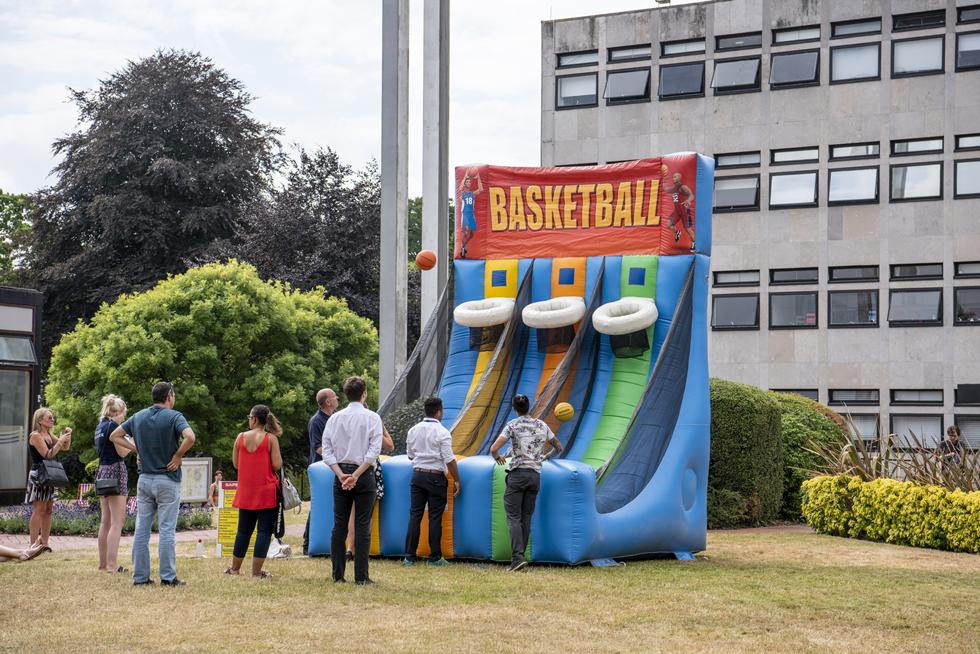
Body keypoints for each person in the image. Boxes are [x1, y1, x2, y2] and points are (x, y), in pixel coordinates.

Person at [110, 381, 196, 587]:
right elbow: (190, 437)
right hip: (168, 479)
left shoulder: (138, 416)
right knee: (166, 529)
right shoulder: (175, 417)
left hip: (145, 479)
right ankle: (168, 577)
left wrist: (136, 450)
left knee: (142, 529)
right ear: (169, 396)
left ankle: (140, 577)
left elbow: (115, 436)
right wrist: (177, 455)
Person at [489, 394, 563, 572]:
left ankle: (517, 558)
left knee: (513, 517)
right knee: (526, 517)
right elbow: (559, 447)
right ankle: (520, 556)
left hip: (518, 474)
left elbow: (493, 448)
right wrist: (544, 457)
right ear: (529, 407)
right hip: (535, 476)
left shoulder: (513, 425)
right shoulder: (542, 425)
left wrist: (498, 458)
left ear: (515, 409)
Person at [321, 376, 382, 585]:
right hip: (363, 474)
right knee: (362, 525)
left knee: (339, 525)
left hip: (341, 472)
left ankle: (338, 574)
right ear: (364, 393)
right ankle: (361, 576)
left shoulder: (334, 419)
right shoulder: (372, 417)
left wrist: (340, 474)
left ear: (346, 395)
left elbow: (326, 450)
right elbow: (374, 450)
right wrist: (356, 475)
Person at [226, 405, 282, 579]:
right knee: (264, 532)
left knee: (243, 530)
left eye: (249, 417)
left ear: (254, 419)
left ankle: (235, 569)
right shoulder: (271, 439)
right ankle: (256, 573)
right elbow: (277, 465)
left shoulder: (240, 437)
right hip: (266, 491)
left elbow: (236, 464)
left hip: (246, 491)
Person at [403, 397, 460, 567]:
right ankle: (435, 557)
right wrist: (457, 480)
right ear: (439, 411)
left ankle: (409, 557)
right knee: (435, 517)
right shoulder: (443, 432)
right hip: (435, 477)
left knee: (415, 515)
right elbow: (449, 460)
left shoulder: (413, 430)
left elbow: (410, 455)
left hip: (417, 475)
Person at [95, 394, 133, 573]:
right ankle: (112, 565)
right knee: (118, 521)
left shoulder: (100, 426)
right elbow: (122, 452)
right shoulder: (114, 427)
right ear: (117, 412)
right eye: (124, 414)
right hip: (116, 470)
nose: (124, 417)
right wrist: (131, 442)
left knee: (106, 521)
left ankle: (103, 564)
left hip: (102, 471)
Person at [344, 421, 393, 560]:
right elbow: (390, 445)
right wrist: (383, 428)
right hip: (368, 470)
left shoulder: (348, 425)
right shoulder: (371, 426)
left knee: (352, 513)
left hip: (349, 467)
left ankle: (349, 549)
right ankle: (361, 549)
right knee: (366, 514)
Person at [25, 407, 72, 551]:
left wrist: (67, 437)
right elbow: (48, 454)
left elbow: (64, 448)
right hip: (40, 475)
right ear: (40, 420)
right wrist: (60, 441)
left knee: (49, 510)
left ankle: (44, 543)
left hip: (49, 475)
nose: (52, 420)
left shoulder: (49, 435)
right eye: (49, 417)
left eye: (53, 417)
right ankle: (33, 545)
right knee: (39, 509)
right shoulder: (35, 436)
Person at [304, 388, 337, 555]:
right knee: (318, 505)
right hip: (322, 468)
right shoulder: (317, 421)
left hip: (334, 467)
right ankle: (307, 542)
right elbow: (318, 448)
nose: (337, 398)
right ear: (328, 402)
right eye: (334, 396)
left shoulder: (336, 417)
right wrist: (336, 458)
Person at [663, 169, 695, 252]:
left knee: (688, 229)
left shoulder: (683, 187)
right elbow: (665, 190)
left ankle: (694, 243)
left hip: (684, 210)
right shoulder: (674, 188)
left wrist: (688, 200)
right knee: (668, 224)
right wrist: (663, 179)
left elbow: (691, 195)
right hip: (677, 211)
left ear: (679, 178)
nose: (673, 178)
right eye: (672, 177)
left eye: (675, 177)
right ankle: (677, 232)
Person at [457, 169, 483, 258]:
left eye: (469, 182)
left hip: (471, 214)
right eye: (467, 182)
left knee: (471, 234)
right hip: (465, 214)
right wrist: (465, 176)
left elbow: (481, 189)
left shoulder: (472, 194)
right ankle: (463, 248)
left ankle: (464, 245)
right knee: (465, 232)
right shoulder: (463, 194)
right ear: (465, 184)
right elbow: (460, 188)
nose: (469, 183)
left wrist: (478, 177)